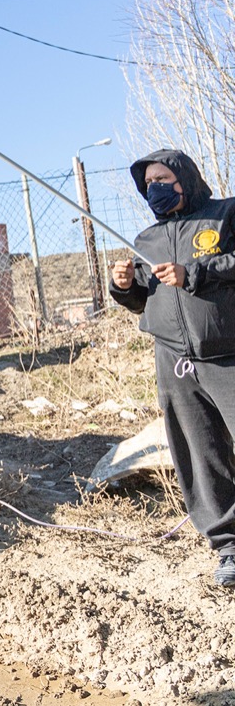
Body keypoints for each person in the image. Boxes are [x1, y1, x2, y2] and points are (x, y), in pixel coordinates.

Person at [109, 149, 235, 588]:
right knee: (200, 453)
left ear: (185, 177)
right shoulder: (147, 239)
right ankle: (228, 546)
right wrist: (123, 287)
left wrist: (195, 272)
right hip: (175, 360)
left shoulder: (225, 215)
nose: (155, 188)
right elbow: (147, 298)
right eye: (148, 184)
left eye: (163, 177)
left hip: (227, 352)